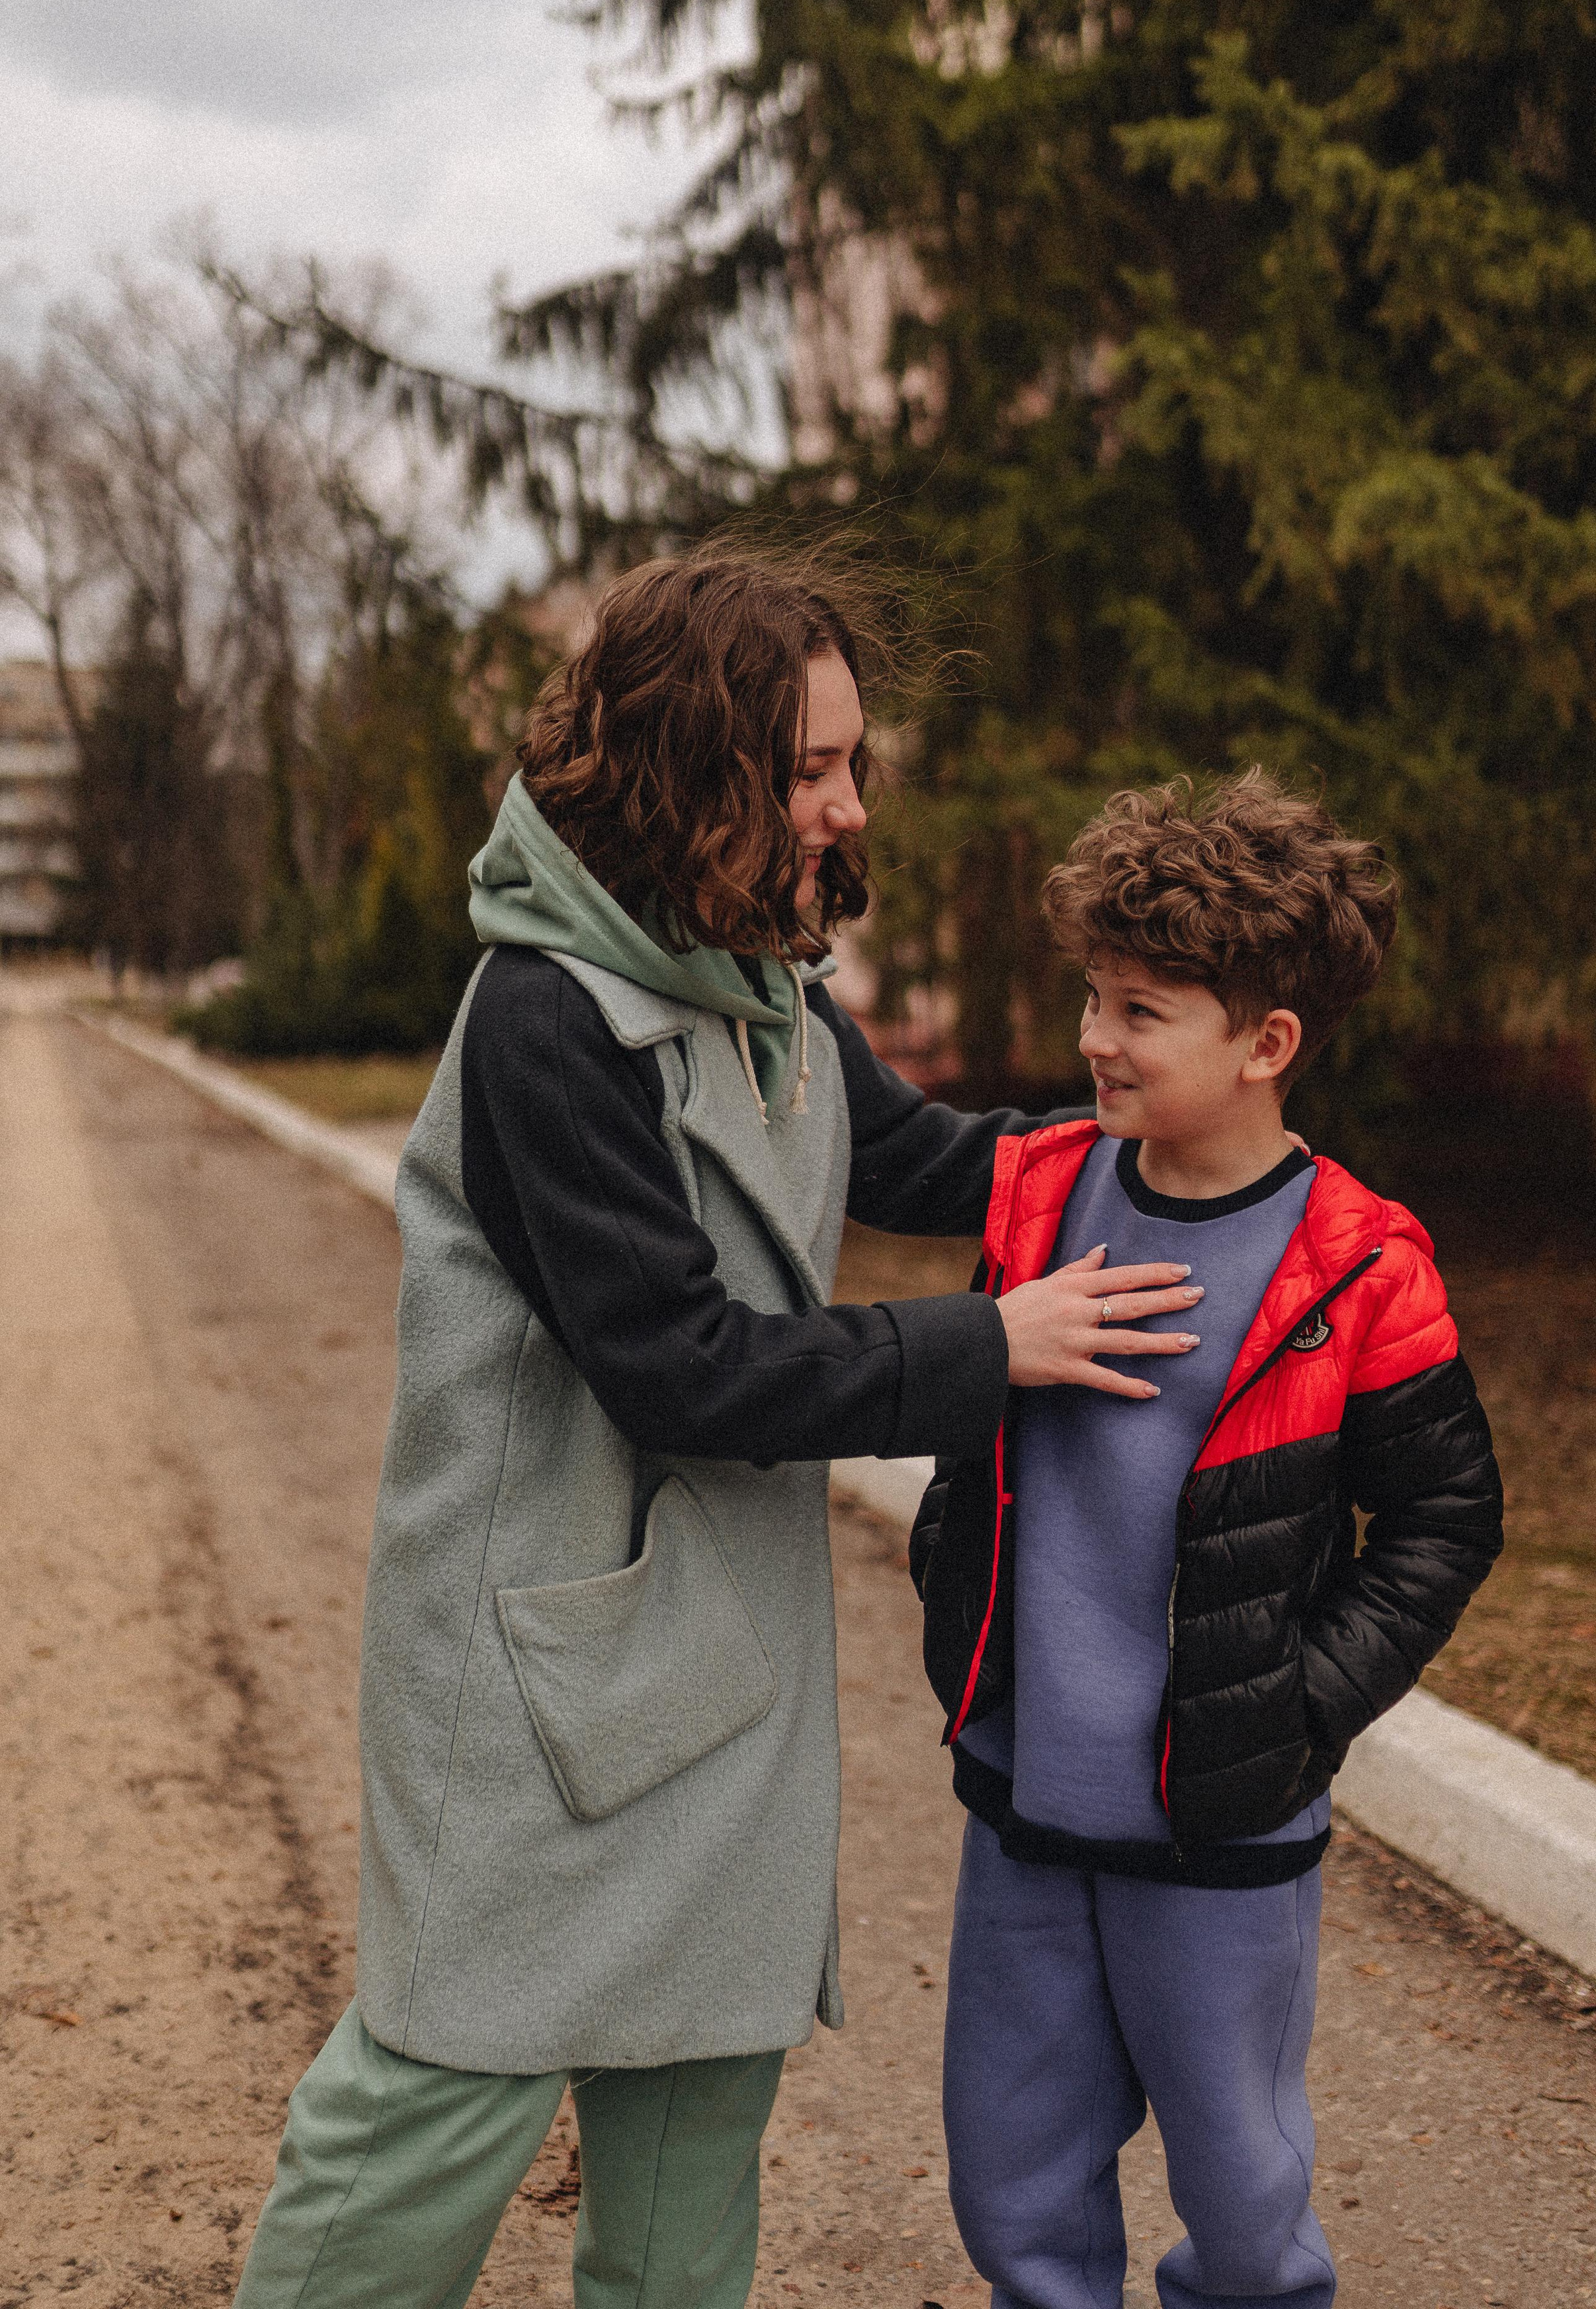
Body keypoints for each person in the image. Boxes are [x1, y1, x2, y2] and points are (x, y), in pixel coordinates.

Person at [230, 549, 1208, 2309]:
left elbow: (910, 1158)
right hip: (533, 1680)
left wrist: (1164, 1155)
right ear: (704, 775)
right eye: (811, 770)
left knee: (694, 2124)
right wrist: (994, 1344)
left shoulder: (757, 976)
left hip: (716, 1679)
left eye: (851, 764)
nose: (847, 805)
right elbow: (681, 1366)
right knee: (436, 2101)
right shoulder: (547, 1015)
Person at [912, 771, 1505, 2309]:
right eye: (1091, 998)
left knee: (1242, 2207)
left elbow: (1445, 1517)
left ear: (1265, 1045)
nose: (1094, 1037)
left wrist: (1302, 1703)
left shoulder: (1358, 1263)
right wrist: (949, 1593)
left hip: (1223, 1829)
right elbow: (982, 1439)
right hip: (1026, 1800)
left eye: (1140, 1009)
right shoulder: (1039, 1192)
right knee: (1010, 2179)